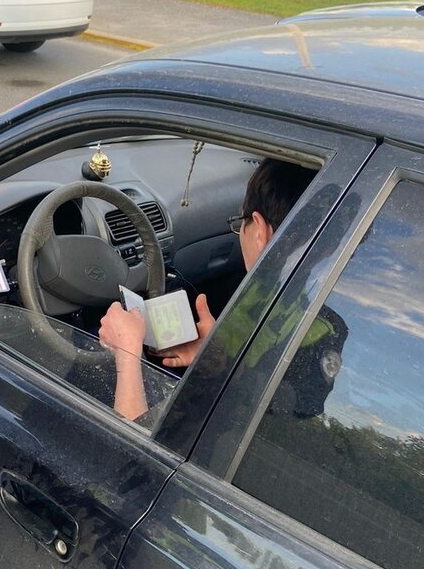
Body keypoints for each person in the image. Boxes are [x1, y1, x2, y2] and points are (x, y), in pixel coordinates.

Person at [100, 158, 318, 421]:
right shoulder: (322, 300)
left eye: (240, 223)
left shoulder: (322, 329)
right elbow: (264, 400)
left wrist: (126, 353)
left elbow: (132, 456)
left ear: (259, 230)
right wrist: (219, 361)